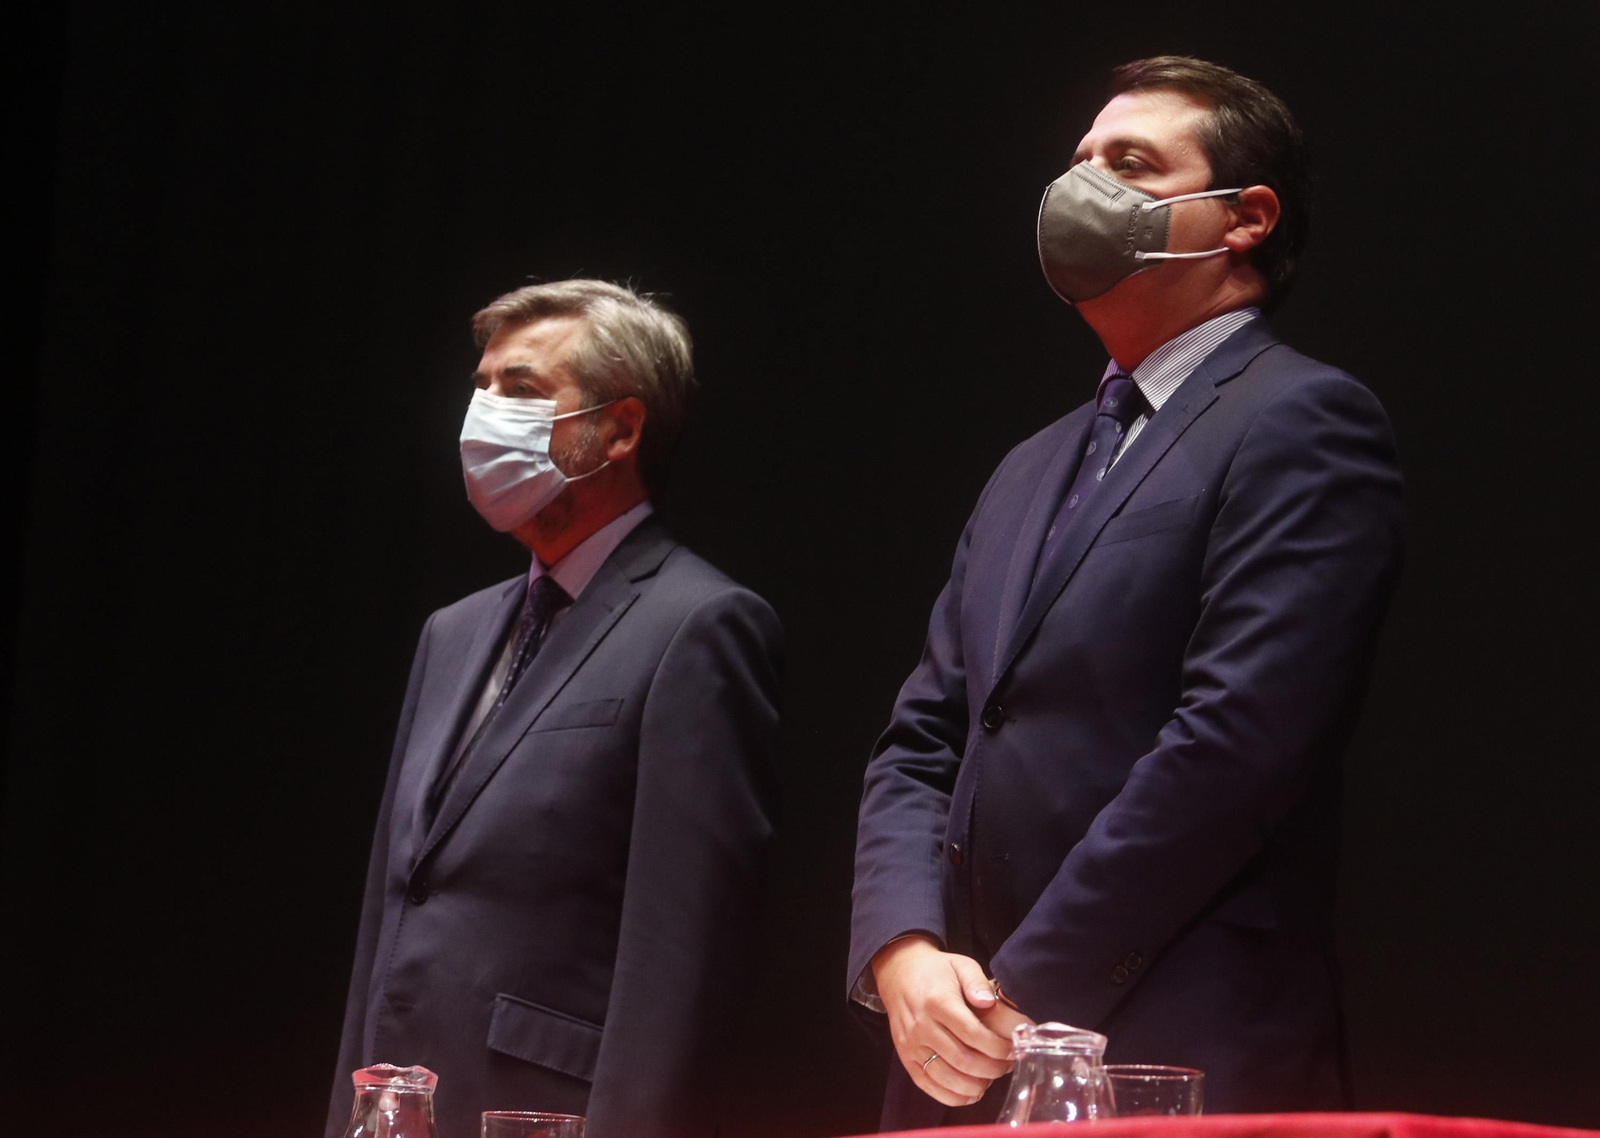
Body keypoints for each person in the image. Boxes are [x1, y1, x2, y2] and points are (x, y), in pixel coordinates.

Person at [848, 56, 1404, 1123]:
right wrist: (902, 949)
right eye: (1077, 162)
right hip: (954, 1048)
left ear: (1244, 218)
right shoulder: (1028, 465)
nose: (1079, 189)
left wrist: (1028, 989)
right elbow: (925, 735)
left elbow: (1237, 740)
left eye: (1129, 162)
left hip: (1167, 1034)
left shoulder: (1302, 419)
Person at [327, 280, 783, 1138]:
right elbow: (396, 909)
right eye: (483, 386)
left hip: (544, 1114)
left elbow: (682, 961)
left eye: (522, 391)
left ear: (619, 428)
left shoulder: (700, 624)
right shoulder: (451, 633)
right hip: (396, 1109)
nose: (483, 413)